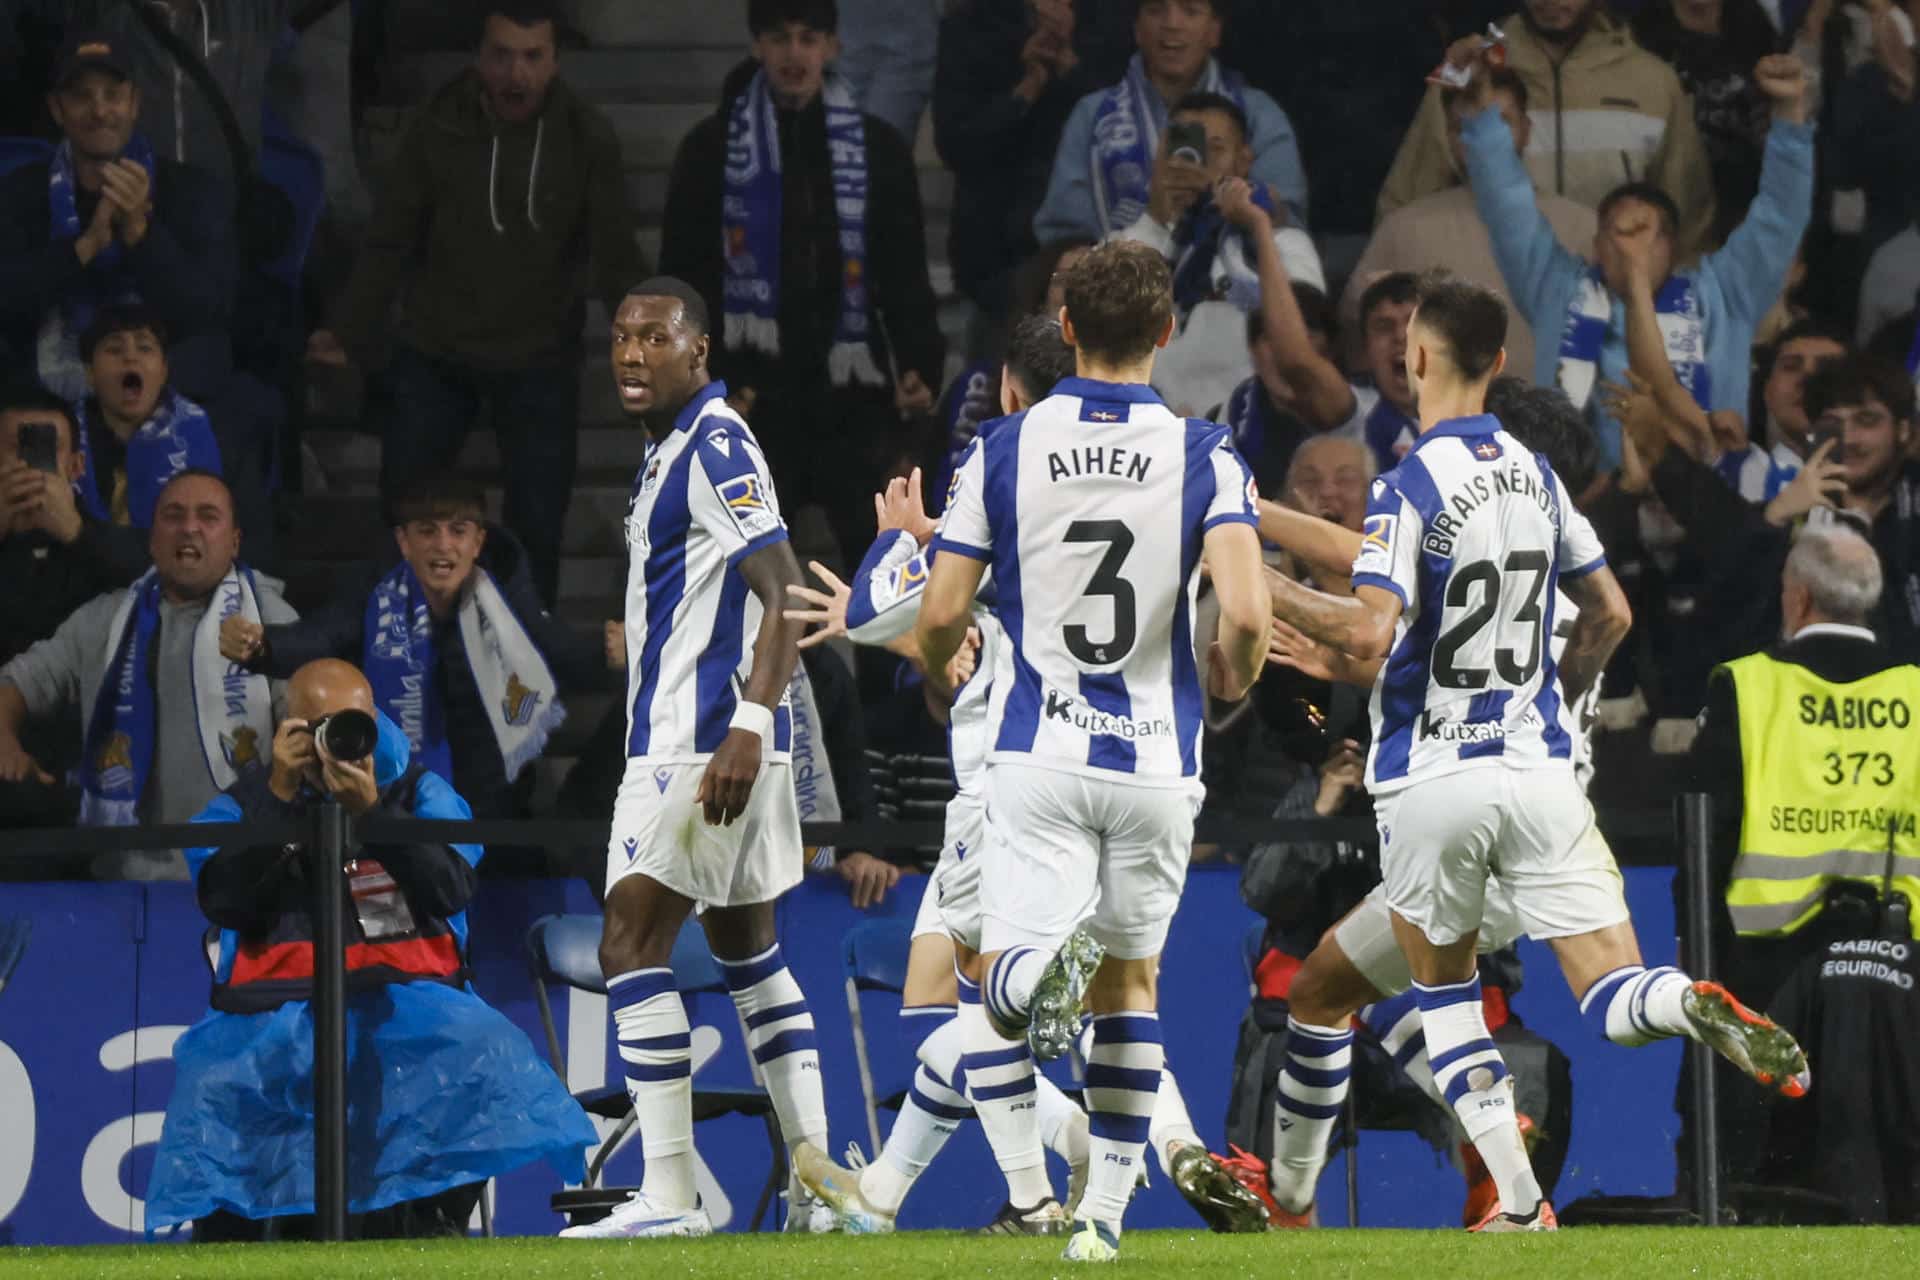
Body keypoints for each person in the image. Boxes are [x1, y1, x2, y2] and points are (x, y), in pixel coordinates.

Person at [1261, 273, 1809, 1231]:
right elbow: (1613, 613)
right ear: (1501, 363)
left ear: (1415, 358)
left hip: (1444, 788)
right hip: (1549, 787)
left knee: (1439, 1002)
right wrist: (1545, 704)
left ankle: (1510, 1200)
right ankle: (1685, 1004)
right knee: (1599, 993)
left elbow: (1370, 617)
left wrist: (1250, 570)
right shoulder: (1541, 489)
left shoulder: (1414, 485)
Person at [911, 240, 1271, 1261]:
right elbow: (1244, 608)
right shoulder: (1207, 452)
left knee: (1002, 983)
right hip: (1156, 757)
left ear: (1064, 326)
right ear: (1166, 332)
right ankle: (1103, 1223)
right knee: (1132, 986)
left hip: (1040, 751)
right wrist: (1233, 670)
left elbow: (942, 612)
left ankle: (1032, 978)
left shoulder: (1003, 447)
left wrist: (945, 657)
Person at [1250, 373, 1602, 1227]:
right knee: (1328, 986)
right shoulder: (1544, 573)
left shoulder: (1494, 560)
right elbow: (1368, 574)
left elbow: (1363, 603)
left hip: (1474, 817)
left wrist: (1239, 532)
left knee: (1407, 998)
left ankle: (1503, 1175)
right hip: (1541, 826)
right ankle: (1315, 1201)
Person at [558, 277, 831, 1240]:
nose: (632, 353)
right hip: (711, 733)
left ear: (699, 351)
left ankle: (671, 1194)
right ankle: (819, 1190)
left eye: (655, 337)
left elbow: (786, 586)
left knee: (629, 945)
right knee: (749, 957)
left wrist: (749, 725)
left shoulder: (713, 443)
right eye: (621, 337)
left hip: (700, 740)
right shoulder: (669, 452)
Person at [144, 658, 597, 1238]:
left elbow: (451, 887)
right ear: (287, 728)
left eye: (352, 723)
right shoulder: (242, 805)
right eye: (318, 726)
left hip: (408, 998)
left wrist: (374, 814)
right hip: (272, 1008)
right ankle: (233, 1237)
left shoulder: (420, 790)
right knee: (214, 1076)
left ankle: (432, 1220)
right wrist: (280, 801)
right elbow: (226, 903)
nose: (337, 741)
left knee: (483, 1046)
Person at [310, 0, 643, 607]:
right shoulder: (435, 125)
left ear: (555, 61)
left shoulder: (586, 134)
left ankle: (528, 657)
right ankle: (398, 633)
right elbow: (390, 237)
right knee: (404, 506)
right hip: (438, 348)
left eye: (532, 57)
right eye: (502, 56)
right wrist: (349, 328)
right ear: (478, 58)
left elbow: (614, 252)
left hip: (541, 352)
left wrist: (649, 346)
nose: (517, 74)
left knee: (537, 522)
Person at [659, 0, 945, 570]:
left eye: (809, 39)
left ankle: (884, 665)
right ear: (757, 47)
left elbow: (904, 273)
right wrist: (706, 384)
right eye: (781, 38)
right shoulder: (709, 150)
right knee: (742, 580)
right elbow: (684, 282)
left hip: (852, 396)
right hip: (752, 397)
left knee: (882, 573)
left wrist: (919, 362)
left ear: (833, 47)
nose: (795, 54)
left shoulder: (879, 149)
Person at [1457, 41, 1814, 465]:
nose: (1628, 245)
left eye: (1641, 230)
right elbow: (1506, 207)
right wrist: (1480, 118)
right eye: (1614, 232)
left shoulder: (1725, 294)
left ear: (1673, 247)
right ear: (1595, 250)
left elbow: (1780, 216)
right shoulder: (1559, 290)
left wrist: (1791, 115)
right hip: (1587, 505)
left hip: (1708, 500)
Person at [217, 472, 606, 829]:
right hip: (397, 799)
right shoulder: (374, 590)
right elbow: (321, 637)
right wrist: (262, 645)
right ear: (404, 542)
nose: (443, 545)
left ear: (478, 541)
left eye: (458, 531)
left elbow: (554, 646)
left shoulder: (507, 594)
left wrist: (611, 653)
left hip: (496, 805)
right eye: (427, 531)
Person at [0, 470, 293, 876]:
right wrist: (5, 740)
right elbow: (15, 683)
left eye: (208, 516)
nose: (189, 527)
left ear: (235, 541)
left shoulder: (272, 622)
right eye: (173, 515)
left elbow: (311, 718)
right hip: (116, 882)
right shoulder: (102, 620)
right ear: (152, 539)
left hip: (238, 882)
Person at [0, 30, 233, 404]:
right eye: (81, 96)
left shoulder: (190, 189)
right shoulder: (20, 192)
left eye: (113, 95)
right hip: (47, 400)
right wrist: (84, 248)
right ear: (56, 109)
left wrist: (142, 234)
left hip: (164, 392)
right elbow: (8, 303)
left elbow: (207, 311)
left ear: (135, 104)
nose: (100, 111)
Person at [1377, 1, 1715, 254]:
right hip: (1494, 305)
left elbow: (1689, 229)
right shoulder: (1468, 74)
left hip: (1617, 308)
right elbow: (1404, 208)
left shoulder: (1652, 82)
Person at [1339, 68, 1596, 383]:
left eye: (1501, 121)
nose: (1482, 136)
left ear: (1527, 129)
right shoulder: (1405, 228)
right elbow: (1357, 334)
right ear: (1448, 136)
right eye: (1464, 126)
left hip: (1556, 421)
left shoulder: (1582, 227)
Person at [1032, 0, 1307, 246]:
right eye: (1155, 9)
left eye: (1190, 10)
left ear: (1214, 31)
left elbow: (1289, 226)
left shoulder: (1259, 114)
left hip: (1231, 292)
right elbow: (1065, 235)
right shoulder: (1092, 114)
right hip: (1117, 291)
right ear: (1137, 29)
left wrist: (1227, 198)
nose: (1172, 24)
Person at [931, 0, 1133, 333]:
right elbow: (955, 144)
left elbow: (1131, 139)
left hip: (1098, 254)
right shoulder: (972, 26)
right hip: (996, 256)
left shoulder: (1119, 24)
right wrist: (1024, 91)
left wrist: (1071, 67)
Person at [0, 382, 148, 665]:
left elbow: (168, 587)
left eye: (44, 449)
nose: (29, 465)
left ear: (76, 466)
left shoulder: (117, 547)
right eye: (17, 448)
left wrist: (78, 534)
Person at [1629, 0, 1781, 248]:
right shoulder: (1643, 32)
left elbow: (1774, 118)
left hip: (1746, 200)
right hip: (1668, 198)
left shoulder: (1754, 26)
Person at [1259, 261, 1421, 476]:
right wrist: (1262, 231)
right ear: (1365, 352)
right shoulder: (1358, 410)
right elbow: (1295, 359)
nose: (1401, 336)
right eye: (1384, 326)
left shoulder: (1470, 408)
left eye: (1414, 324)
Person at [70, 302, 219, 530]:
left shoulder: (210, 434)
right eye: (114, 349)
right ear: (90, 373)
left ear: (164, 370)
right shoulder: (62, 435)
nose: (130, 357)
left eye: (144, 348)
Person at [1211, 283, 1339, 494]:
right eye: (1270, 339)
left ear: (1330, 351)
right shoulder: (1240, 406)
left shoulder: (1359, 414)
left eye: (1303, 339)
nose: (1284, 354)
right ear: (1253, 351)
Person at [1715, 319, 1849, 503]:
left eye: (1826, 369)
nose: (1807, 380)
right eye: (1791, 367)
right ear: (1767, 391)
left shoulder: (1878, 478)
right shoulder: (1727, 469)